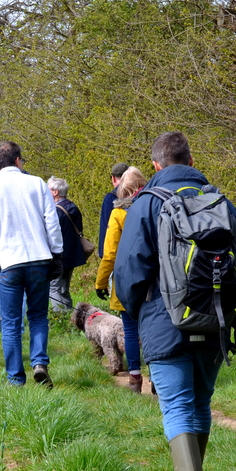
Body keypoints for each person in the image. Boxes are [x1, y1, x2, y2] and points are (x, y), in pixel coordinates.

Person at [115, 131, 236, 471]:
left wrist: (141, 308)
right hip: (214, 320)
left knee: (176, 406)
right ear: (190, 158)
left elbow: (129, 274)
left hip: (163, 321)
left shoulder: (145, 205)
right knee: (199, 404)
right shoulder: (220, 202)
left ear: (156, 165)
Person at [0, 141, 63, 386]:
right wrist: (57, 254)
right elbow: (51, 222)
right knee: (38, 317)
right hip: (38, 259)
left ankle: (15, 377)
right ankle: (39, 362)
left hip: (9, 264)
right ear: (18, 161)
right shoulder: (37, 183)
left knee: (12, 322)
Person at [95, 166, 148, 392]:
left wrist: (100, 282)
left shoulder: (119, 213)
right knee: (152, 330)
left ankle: (135, 378)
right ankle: (157, 377)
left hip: (126, 280)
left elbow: (110, 254)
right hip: (154, 279)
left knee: (130, 329)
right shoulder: (155, 207)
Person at [47, 176, 87, 311]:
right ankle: (70, 317)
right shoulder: (72, 207)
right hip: (73, 254)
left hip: (58, 255)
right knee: (64, 288)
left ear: (55, 192)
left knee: (53, 288)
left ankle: (60, 319)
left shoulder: (55, 211)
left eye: (48, 188)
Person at [98, 163, 129, 259]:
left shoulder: (111, 197)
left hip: (117, 250)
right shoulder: (141, 192)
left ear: (113, 178)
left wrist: (103, 253)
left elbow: (106, 225)